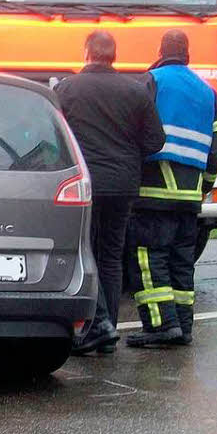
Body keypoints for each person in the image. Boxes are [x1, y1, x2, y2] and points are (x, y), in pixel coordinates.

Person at [55, 30, 166, 355]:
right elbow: (155, 140)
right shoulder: (135, 91)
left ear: (87, 52)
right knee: (112, 255)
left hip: (86, 184)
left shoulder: (67, 89)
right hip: (124, 184)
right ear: (113, 55)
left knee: (85, 250)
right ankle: (109, 329)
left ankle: (97, 326)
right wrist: (130, 155)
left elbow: (56, 135)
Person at [126, 29, 217, 347]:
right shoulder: (208, 92)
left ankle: (160, 326)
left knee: (149, 257)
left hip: (154, 190)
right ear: (188, 54)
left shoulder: (152, 81)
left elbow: (134, 131)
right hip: (190, 196)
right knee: (182, 263)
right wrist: (205, 186)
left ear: (161, 50)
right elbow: (216, 150)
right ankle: (183, 325)